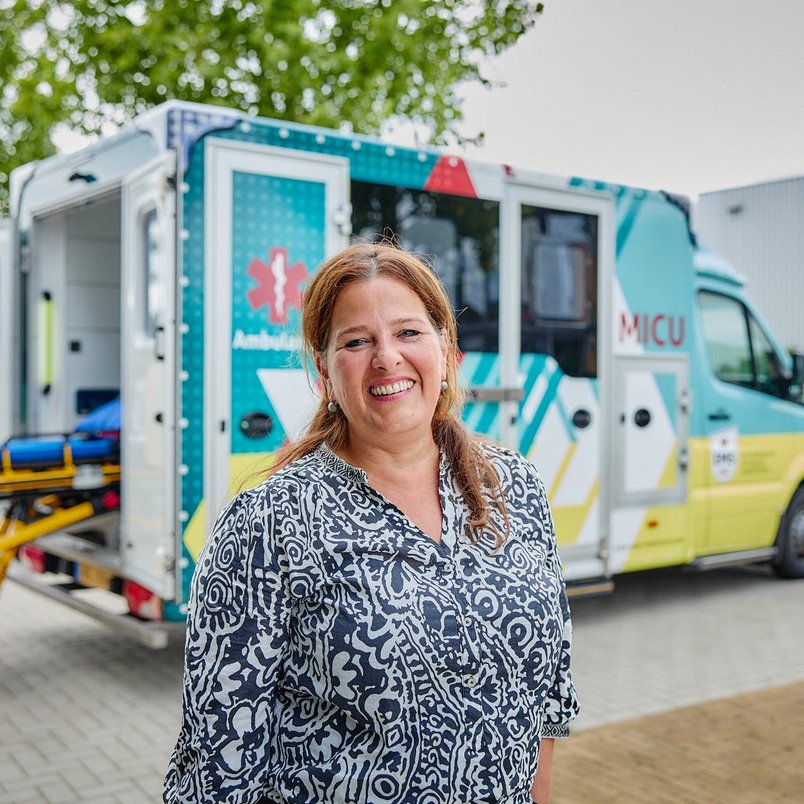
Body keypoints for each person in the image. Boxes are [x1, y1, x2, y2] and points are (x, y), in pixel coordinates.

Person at [164, 242, 579, 804]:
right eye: (356, 341)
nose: (387, 357)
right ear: (325, 373)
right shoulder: (269, 522)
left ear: (445, 348)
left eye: (408, 332)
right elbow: (218, 761)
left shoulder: (514, 486)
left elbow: (547, 695)